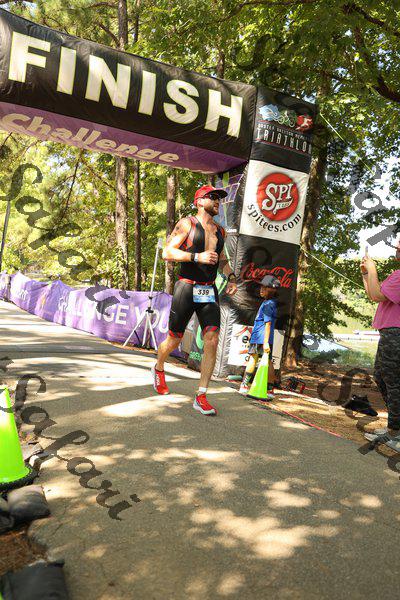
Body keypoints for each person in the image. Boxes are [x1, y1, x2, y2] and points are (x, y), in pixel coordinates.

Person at [151, 184, 238, 416]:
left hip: (208, 290)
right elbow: (167, 252)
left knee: (212, 339)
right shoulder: (187, 224)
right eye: (212, 197)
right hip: (187, 287)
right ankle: (159, 367)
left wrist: (231, 277)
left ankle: (201, 395)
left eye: (219, 198)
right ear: (199, 201)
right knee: (174, 340)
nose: (217, 201)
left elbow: (221, 259)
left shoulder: (221, 232)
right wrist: (196, 256)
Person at [361, 239, 400, 450]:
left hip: (396, 334)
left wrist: (373, 268)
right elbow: (374, 295)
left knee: (393, 382)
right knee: (382, 377)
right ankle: (394, 427)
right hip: (390, 333)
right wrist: (367, 274)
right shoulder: (397, 275)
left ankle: (396, 433)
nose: (397, 249)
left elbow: (376, 295)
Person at [238, 275, 280, 397]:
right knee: (269, 362)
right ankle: (270, 390)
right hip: (265, 338)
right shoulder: (270, 303)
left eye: (265, 287)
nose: (261, 289)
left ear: (272, 290)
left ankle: (244, 385)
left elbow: (268, 324)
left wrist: (265, 342)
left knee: (253, 359)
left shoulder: (268, 304)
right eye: (261, 287)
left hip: (260, 338)